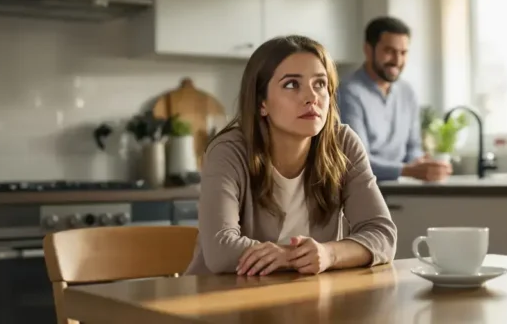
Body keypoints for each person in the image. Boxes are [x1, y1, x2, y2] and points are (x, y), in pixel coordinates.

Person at [184, 35, 397, 276]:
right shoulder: (228, 150)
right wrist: (292, 257)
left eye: (319, 84)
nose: (311, 97)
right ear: (261, 103)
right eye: (291, 85)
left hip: (303, 297)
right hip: (218, 300)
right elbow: (221, 251)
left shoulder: (343, 144)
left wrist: (329, 254)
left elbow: (382, 235)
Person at [337, 16, 451, 182]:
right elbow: (355, 160)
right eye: (389, 51)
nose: (397, 60)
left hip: (399, 190)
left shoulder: (407, 92)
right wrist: (408, 170)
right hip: (359, 193)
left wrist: (424, 163)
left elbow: (413, 148)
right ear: (368, 50)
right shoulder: (348, 92)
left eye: (403, 53)